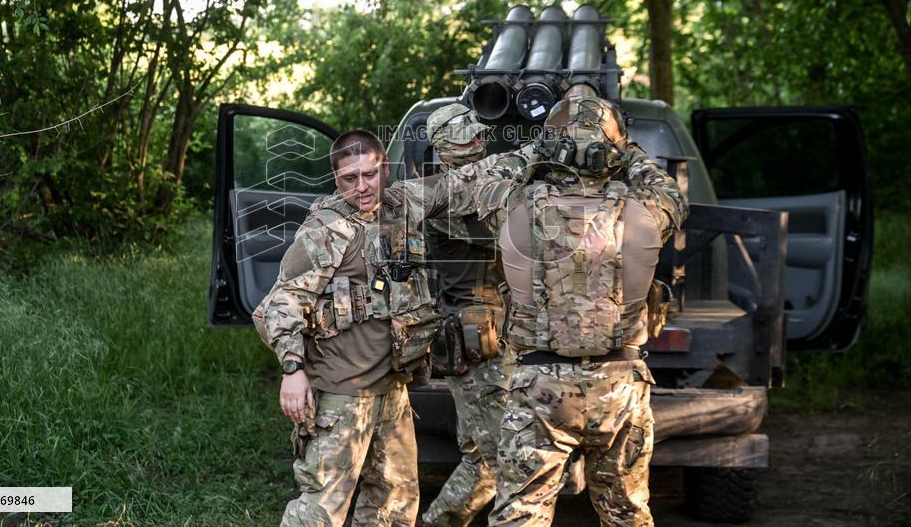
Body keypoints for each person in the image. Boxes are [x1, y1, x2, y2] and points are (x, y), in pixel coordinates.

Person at [254, 128, 538, 527]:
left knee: (394, 503)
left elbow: (465, 181)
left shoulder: (401, 203)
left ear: (383, 168)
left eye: (369, 174)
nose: (362, 187)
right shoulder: (326, 230)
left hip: (391, 389)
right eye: (349, 179)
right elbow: (280, 304)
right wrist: (292, 369)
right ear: (336, 179)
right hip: (342, 394)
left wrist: (538, 152)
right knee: (320, 510)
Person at [487, 96, 689, 526]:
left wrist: (537, 150)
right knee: (627, 514)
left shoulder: (514, 207)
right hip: (620, 386)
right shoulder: (645, 212)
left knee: (521, 514)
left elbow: (485, 182)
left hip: (540, 388)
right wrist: (628, 151)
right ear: (612, 150)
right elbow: (672, 193)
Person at [420, 103, 517, 526]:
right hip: (479, 346)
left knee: (483, 459)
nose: (476, 141)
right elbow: (512, 233)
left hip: (496, 339)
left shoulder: (483, 183)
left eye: (477, 134)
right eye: (464, 138)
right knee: (508, 461)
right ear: (442, 148)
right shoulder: (448, 199)